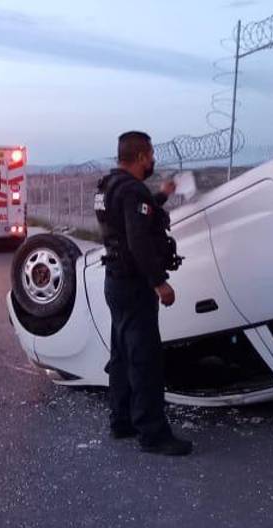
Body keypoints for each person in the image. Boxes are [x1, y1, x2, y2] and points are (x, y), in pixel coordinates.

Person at [95, 131, 193, 456]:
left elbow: (134, 217)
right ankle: (153, 433)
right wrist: (159, 282)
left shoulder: (108, 187)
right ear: (140, 157)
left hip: (115, 281)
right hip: (135, 285)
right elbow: (137, 239)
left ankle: (121, 420)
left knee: (122, 354)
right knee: (145, 359)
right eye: (150, 156)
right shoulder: (133, 190)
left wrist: (161, 195)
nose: (153, 161)